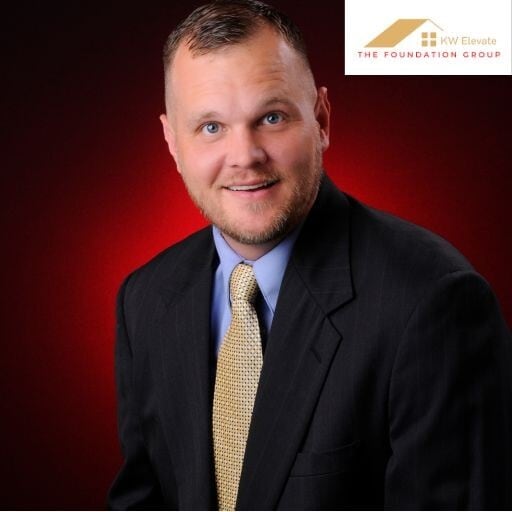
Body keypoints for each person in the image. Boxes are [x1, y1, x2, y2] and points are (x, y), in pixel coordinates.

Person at [107, 0, 512, 509]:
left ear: (321, 119)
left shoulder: (432, 302)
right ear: (172, 141)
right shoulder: (144, 300)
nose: (245, 156)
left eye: (271, 117)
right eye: (211, 127)